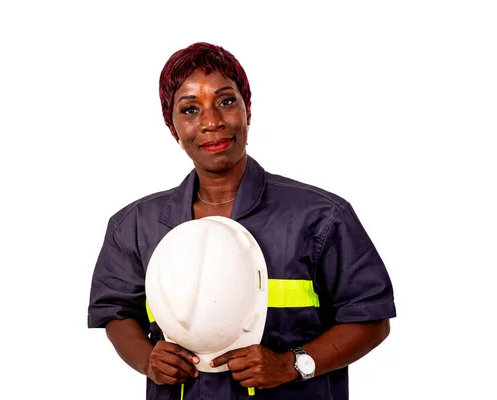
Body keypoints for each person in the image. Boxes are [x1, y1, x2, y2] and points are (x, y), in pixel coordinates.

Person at [87, 42, 396, 400]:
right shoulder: (136, 225)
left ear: (248, 108)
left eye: (227, 101)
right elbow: (116, 312)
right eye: (190, 109)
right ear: (172, 126)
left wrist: (292, 364)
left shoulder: (321, 217)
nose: (212, 121)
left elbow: (371, 319)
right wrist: (147, 360)